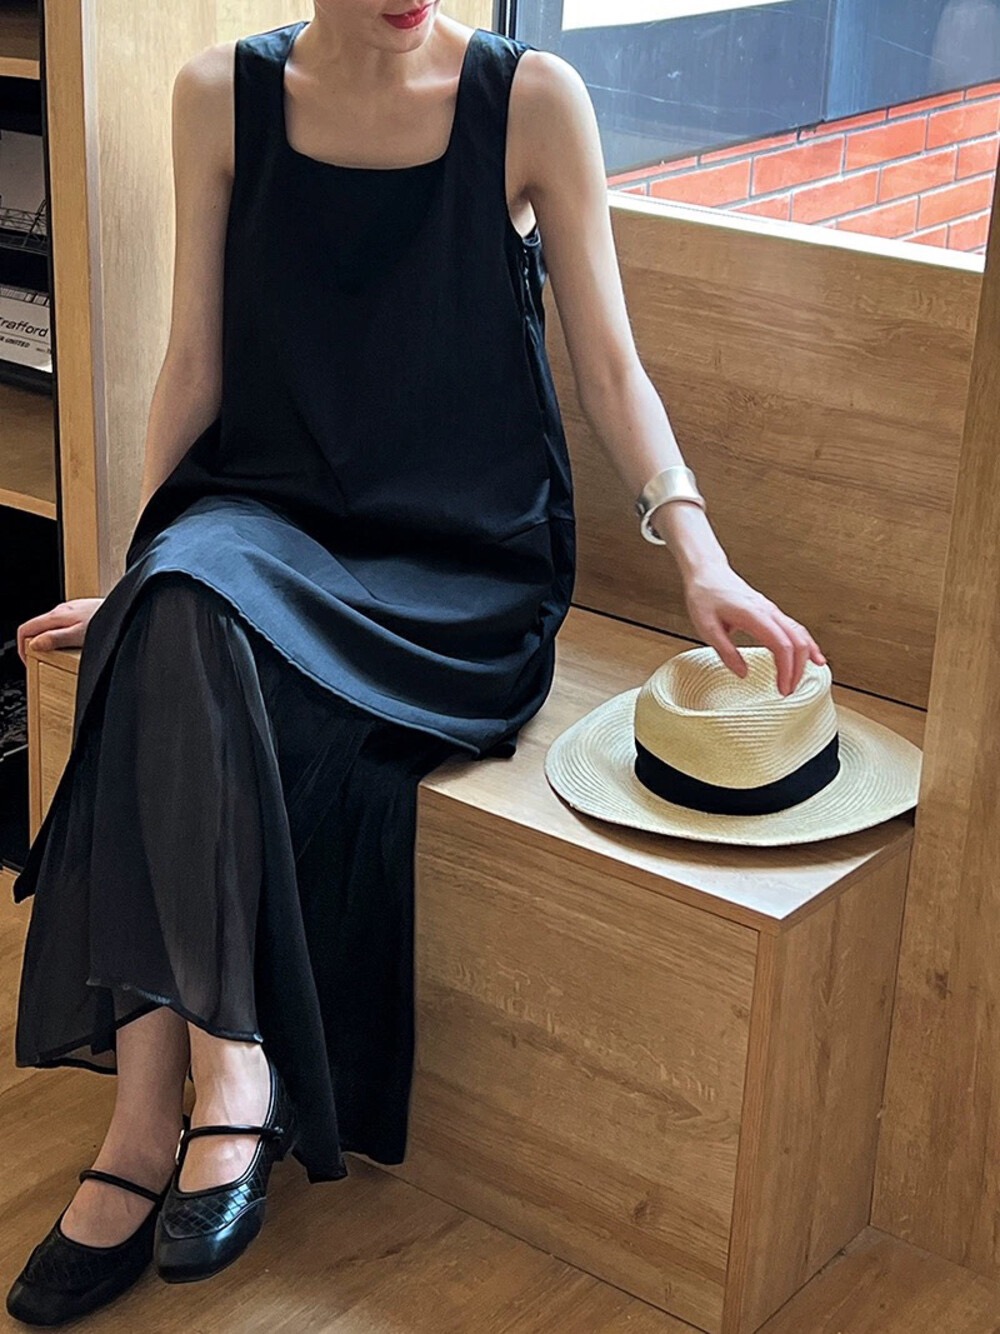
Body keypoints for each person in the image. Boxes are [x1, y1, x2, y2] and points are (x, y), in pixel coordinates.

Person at [6, 1, 826, 1324]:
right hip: (273, 516)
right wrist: (150, 567)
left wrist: (701, 553)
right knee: (172, 609)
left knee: (179, 624)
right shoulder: (219, 97)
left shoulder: (532, 100)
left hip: (459, 563)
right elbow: (194, 365)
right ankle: (201, 1086)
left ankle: (170, 1109)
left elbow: (612, 370)